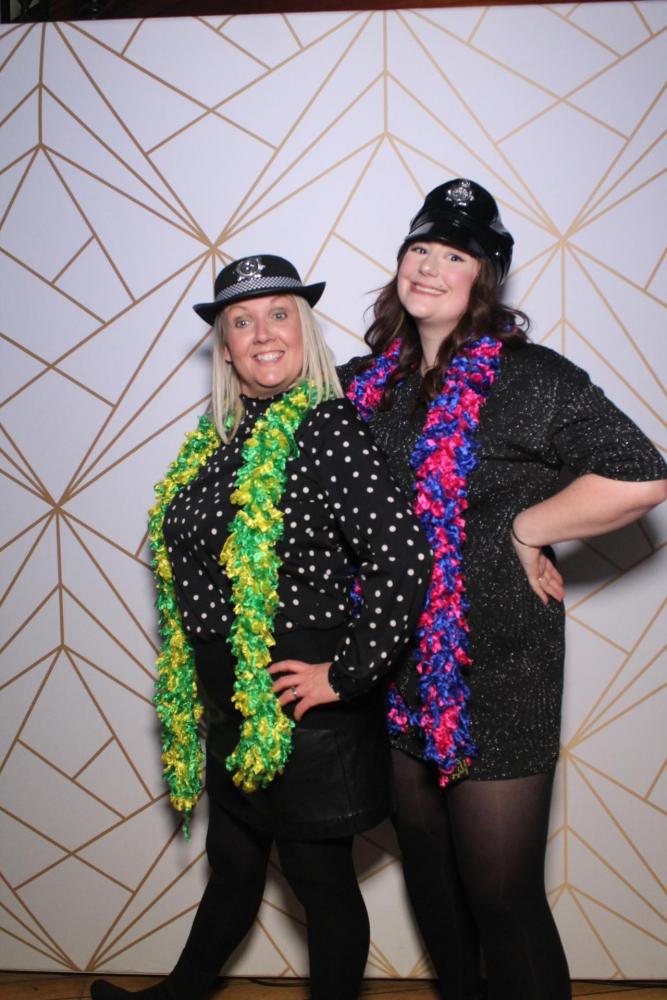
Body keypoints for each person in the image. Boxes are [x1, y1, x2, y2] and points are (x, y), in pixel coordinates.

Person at [338, 179, 667, 1000]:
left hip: (500, 670)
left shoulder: (530, 378)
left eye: (455, 256)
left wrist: (526, 527)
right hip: (394, 670)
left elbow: (640, 475)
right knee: (430, 875)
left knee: (501, 895)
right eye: (420, 248)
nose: (429, 267)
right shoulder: (363, 383)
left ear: (484, 278)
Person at [90, 254, 431, 1000]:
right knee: (236, 864)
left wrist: (346, 675)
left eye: (280, 314)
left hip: (298, 708)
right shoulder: (218, 441)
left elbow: (404, 556)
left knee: (319, 880)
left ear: (304, 330)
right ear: (225, 347)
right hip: (231, 705)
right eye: (241, 322)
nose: (263, 333)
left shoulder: (326, 427)